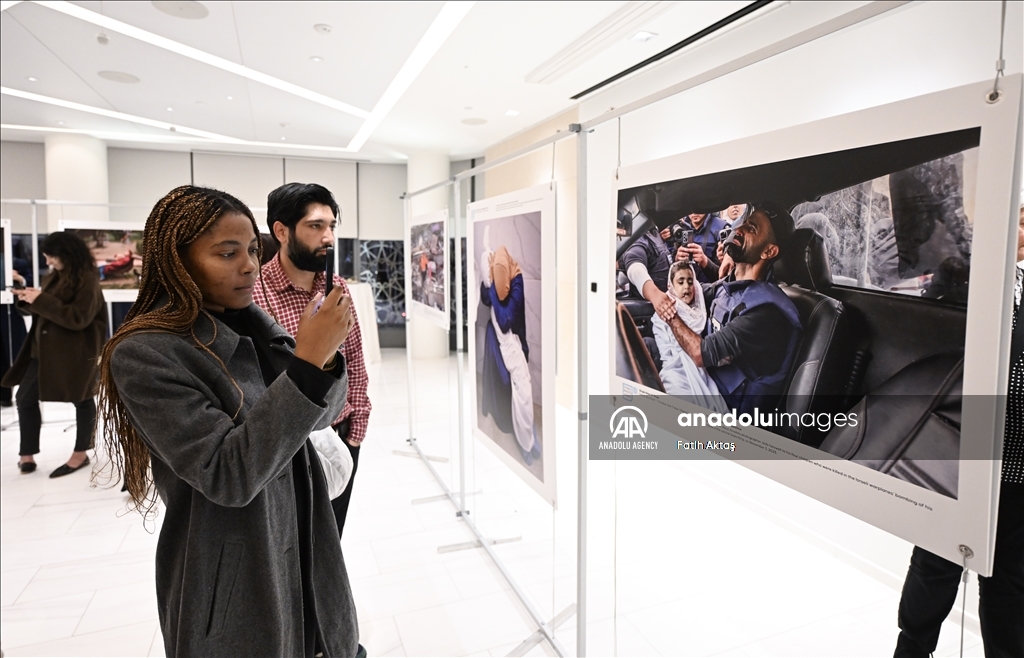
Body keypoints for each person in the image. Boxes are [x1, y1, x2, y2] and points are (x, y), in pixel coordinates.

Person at [98, 185, 360, 657]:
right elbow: (228, 474)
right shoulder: (146, 353)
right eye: (227, 252)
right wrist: (307, 362)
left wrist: (321, 357)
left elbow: (326, 411)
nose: (248, 266)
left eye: (253, 251)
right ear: (177, 261)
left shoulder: (252, 321)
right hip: (232, 573)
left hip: (303, 538)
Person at [892, 204, 1024, 658]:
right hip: (958, 456)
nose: (1020, 229)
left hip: (1016, 467)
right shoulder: (963, 277)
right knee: (934, 566)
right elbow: (929, 330)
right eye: (1018, 217)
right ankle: (911, 649)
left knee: (1009, 582)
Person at [253, 182, 371, 539]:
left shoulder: (335, 288)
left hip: (340, 434)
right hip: (285, 445)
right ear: (281, 231)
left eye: (332, 226)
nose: (328, 237)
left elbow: (354, 358)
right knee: (290, 548)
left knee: (331, 540)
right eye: (316, 226)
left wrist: (357, 432)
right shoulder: (254, 292)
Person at [655, 203, 802, 414]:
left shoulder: (766, 311)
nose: (738, 230)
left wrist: (667, 312)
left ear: (769, 251)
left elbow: (699, 353)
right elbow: (688, 295)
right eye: (742, 223)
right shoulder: (731, 285)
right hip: (707, 383)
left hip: (726, 416)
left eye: (751, 229)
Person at [3, 232, 106, 477]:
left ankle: (81, 453)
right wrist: (27, 297)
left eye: (51, 256)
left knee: (81, 399)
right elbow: (46, 308)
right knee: (25, 399)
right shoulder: (55, 277)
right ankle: (26, 454)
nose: (48, 262)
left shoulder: (88, 281)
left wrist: (41, 299)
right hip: (43, 352)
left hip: (74, 354)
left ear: (67, 254)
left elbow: (77, 318)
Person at [478, 243, 541, 466]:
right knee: (511, 385)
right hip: (498, 343)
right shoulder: (495, 276)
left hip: (514, 341)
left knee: (524, 389)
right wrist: (488, 282)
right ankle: (524, 438)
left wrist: (493, 287)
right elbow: (487, 299)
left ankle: (529, 438)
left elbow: (505, 320)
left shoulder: (517, 281)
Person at [651, 260, 727, 411]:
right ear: (671, 287)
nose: (686, 286)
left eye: (690, 282)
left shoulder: (699, 311)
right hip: (676, 369)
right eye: (680, 282)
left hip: (700, 370)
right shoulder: (666, 312)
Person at [679, 212, 728, 283]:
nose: (694, 212)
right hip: (687, 287)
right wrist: (677, 258)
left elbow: (726, 273)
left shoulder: (721, 228)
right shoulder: (681, 227)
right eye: (690, 206)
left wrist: (705, 261)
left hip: (713, 288)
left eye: (698, 205)